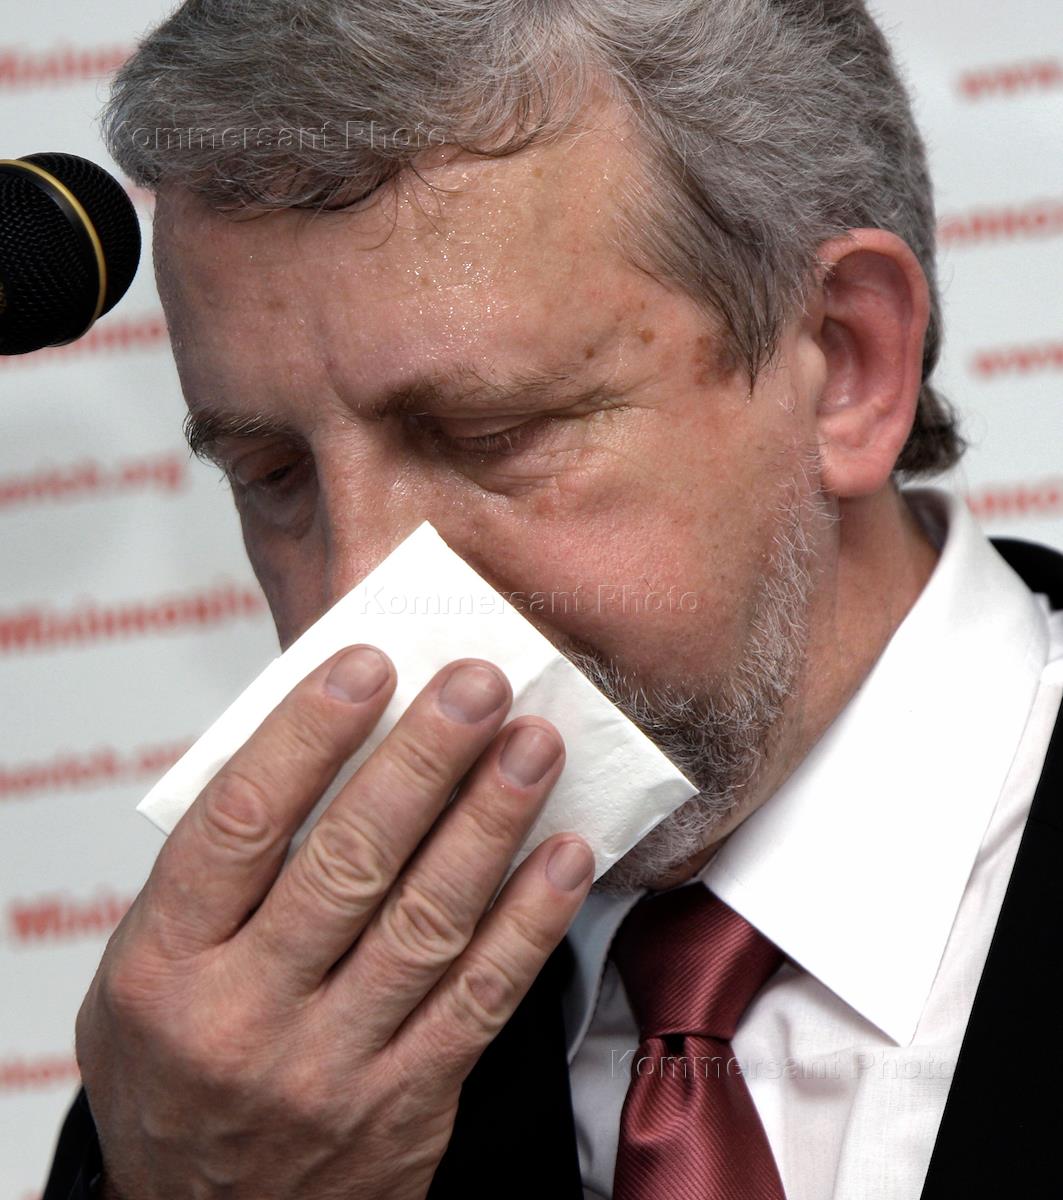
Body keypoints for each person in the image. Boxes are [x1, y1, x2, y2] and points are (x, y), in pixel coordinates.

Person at [42, 2, 1063, 1198]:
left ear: (844, 365)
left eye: (488, 434)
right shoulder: (234, 1089)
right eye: (273, 476)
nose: (352, 602)